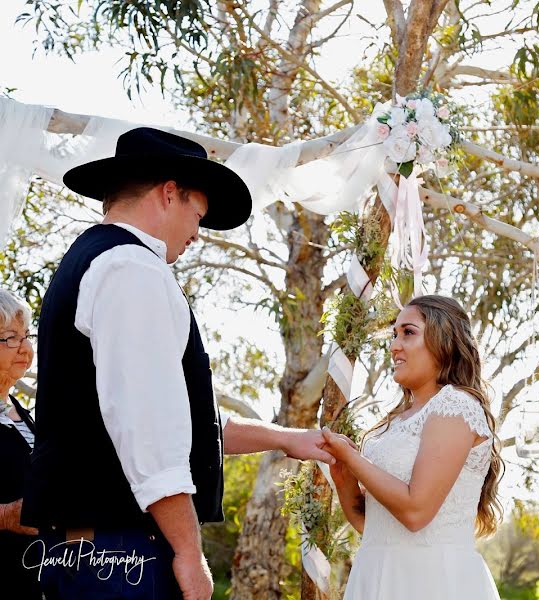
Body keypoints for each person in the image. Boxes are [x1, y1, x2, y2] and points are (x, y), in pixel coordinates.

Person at [21, 127, 335, 599]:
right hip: (122, 554)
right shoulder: (130, 267)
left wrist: (284, 438)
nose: (196, 233)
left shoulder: (98, 260)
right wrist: (188, 551)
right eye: (198, 214)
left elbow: (176, 419)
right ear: (170, 193)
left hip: (95, 551)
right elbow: (147, 423)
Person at [321, 294, 504, 600]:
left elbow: (416, 513)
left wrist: (353, 459)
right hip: (377, 576)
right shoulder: (392, 422)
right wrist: (344, 479)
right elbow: (374, 527)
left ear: (443, 340)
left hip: (431, 582)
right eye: (394, 334)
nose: (394, 345)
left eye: (408, 332)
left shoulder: (455, 406)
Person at [0, 289, 41, 597]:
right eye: (11, 337)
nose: (25, 347)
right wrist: (8, 515)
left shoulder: (21, 412)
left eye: (27, 335)